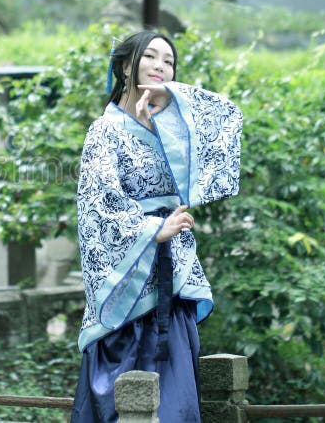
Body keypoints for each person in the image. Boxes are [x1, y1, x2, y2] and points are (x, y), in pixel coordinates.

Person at [70, 30, 243, 423]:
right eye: (150, 57)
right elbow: (98, 205)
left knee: (177, 401)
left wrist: (169, 117)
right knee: (127, 400)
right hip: (131, 283)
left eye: (169, 61)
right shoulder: (105, 130)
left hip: (173, 276)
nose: (161, 66)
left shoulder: (171, 128)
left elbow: (224, 121)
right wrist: (153, 230)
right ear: (127, 66)